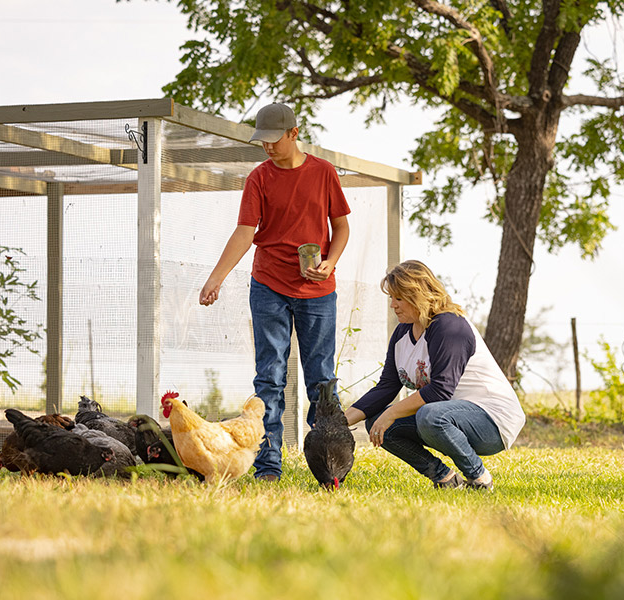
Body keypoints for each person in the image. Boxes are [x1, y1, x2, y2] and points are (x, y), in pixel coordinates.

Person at [199, 102, 350, 482]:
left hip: (317, 291)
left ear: (293, 134)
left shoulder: (323, 173)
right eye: (261, 140)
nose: (266, 147)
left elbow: (341, 227)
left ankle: (327, 467)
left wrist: (330, 262)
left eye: (272, 139)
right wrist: (216, 278)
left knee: (321, 380)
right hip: (269, 286)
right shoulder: (259, 178)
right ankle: (268, 468)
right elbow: (245, 232)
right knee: (269, 377)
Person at [343, 260, 525, 490]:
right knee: (377, 423)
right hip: (450, 416)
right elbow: (387, 386)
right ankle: (446, 480)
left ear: (418, 295)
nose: (392, 305)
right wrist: (340, 422)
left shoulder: (450, 326)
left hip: (493, 420)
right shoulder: (402, 333)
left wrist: (392, 414)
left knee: (429, 415)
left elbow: (441, 390)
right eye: (391, 298)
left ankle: (480, 479)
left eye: (398, 298)